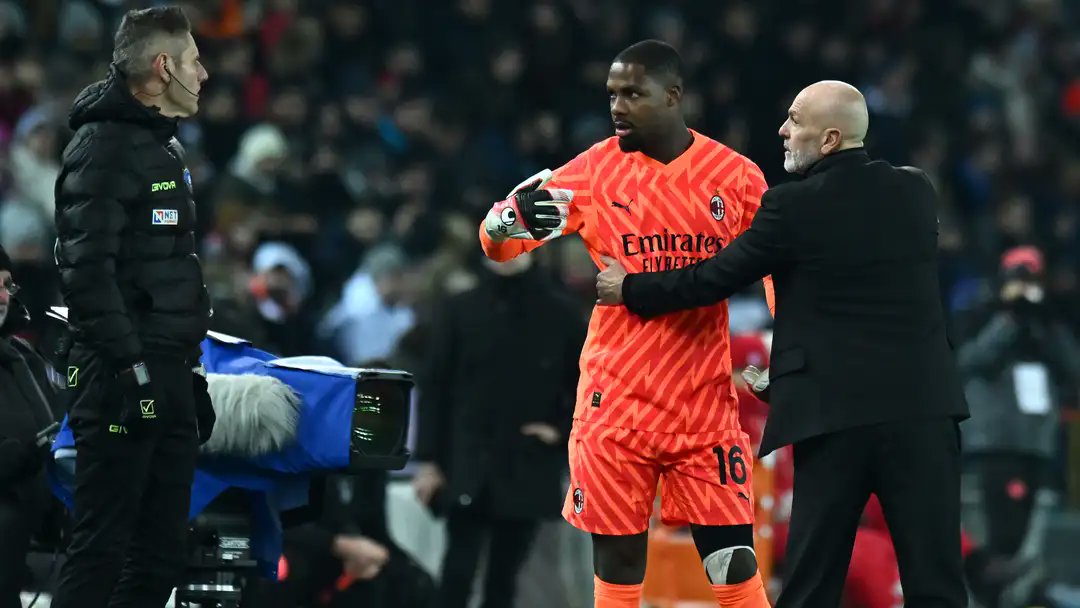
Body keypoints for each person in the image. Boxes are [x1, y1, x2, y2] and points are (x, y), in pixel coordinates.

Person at [596, 80, 970, 607]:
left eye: (795, 119)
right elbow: (865, 289)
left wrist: (629, 287)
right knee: (938, 584)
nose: (782, 130)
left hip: (832, 416)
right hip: (922, 413)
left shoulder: (791, 208)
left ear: (830, 138)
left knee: (811, 583)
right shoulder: (915, 191)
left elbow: (712, 280)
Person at [479, 39, 774, 608]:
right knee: (617, 565)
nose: (617, 106)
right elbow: (502, 248)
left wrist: (788, 348)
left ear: (673, 95)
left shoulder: (735, 177)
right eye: (612, 94)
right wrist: (502, 223)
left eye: (632, 93)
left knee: (732, 563)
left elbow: (779, 267)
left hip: (702, 402)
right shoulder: (591, 172)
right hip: (615, 402)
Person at [50, 7, 215, 608]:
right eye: (196, 59)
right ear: (163, 66)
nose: (206, 72)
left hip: (166, 368)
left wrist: (185, 372)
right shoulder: (103, 146)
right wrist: (131, 370)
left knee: (160, 554)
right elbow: (87, 275)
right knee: (101, 549)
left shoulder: (160, 147)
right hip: (120, 374)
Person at [413, 253, 585, 608]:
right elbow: (435, 386)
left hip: (526, 458)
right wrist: (428, 460)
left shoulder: (561, 314)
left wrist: (561, 429)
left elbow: (590, 384)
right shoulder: (460, 310)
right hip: (466, 457)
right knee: (457, 570)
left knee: (505, 578)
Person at [0, 244, 64, 608]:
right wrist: (27, 452)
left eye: (6, 285)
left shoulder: (24, 358)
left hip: (31, 531)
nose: (1, 296)